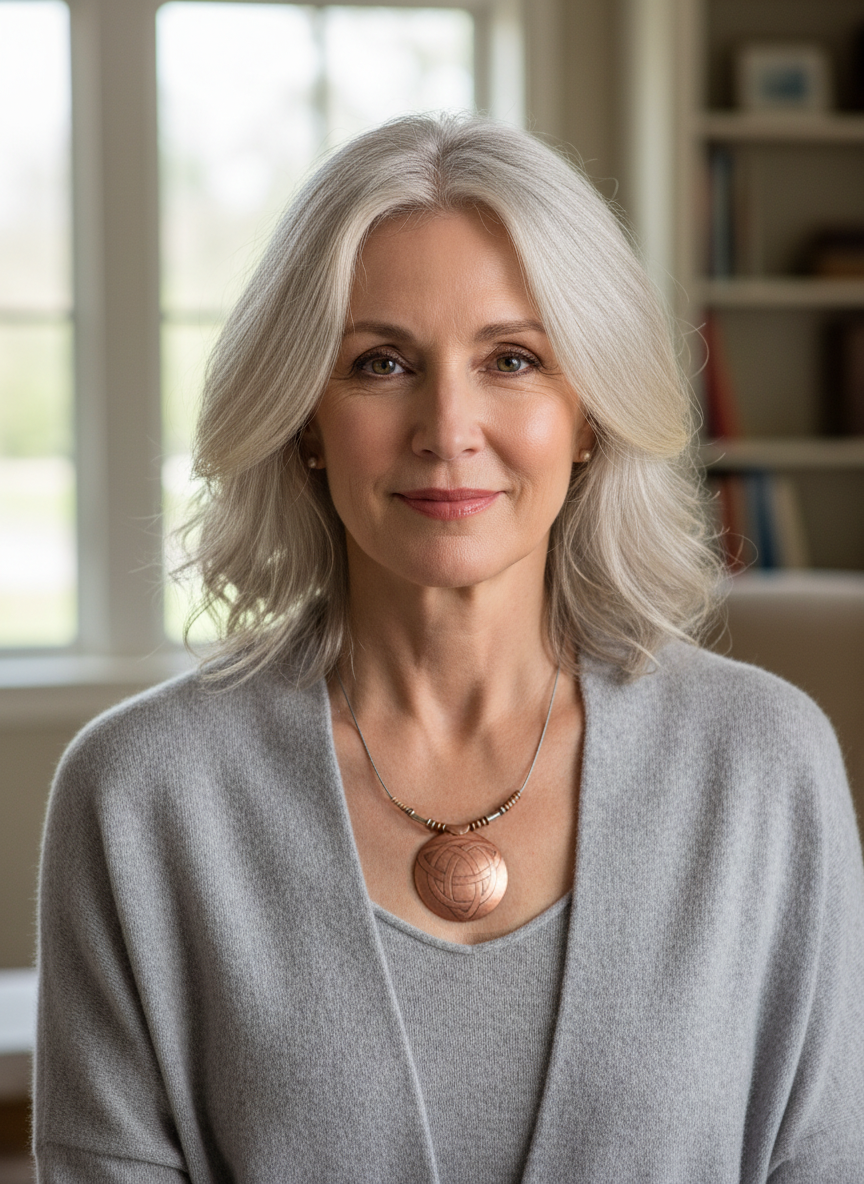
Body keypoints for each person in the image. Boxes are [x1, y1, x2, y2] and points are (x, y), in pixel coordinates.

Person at [35, 114, 864, 1183]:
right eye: (381, 361)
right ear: (303, 419)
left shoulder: (766, 765)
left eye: (513, 358)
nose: (448, 424)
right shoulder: (141, 793)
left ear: (589, 415)